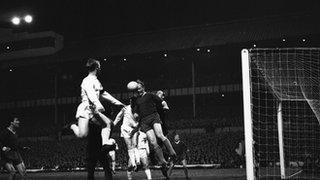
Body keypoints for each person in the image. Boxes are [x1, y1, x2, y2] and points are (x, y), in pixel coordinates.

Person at [70, 58, 123, 154]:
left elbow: (104, 93)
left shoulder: (97, 81)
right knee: (82, 135)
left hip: (94, 108)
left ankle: (104, 144)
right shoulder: (86, 80)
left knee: (108, 123)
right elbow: (91, 94)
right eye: (100, 67)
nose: (100, 68)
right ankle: (72, 126)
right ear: (97, 68)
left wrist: (117, 103)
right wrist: (98, 105)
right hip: (86, 109)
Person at [133, 80, 177, 178]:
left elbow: (161, 101)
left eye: (139, 88)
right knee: (153, 143)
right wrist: (135, 115)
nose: (138, 90)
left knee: (159, 135)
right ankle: (163, 162)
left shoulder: (150, 95)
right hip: (144, 121)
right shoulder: (136, 100)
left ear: (143, 87)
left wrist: (165, 105)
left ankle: (172, 153)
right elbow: (135, 112)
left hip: (153, 117)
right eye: (137, 89)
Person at [113, 97, 140, 171]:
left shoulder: (139, 109)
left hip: (134, 129)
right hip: (125, 129)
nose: (131, 103)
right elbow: (118, 117)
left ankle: (138, 162)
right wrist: (113, 125)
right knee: (129, 147)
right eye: (130, 102)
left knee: (135, 145)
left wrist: (135, 130)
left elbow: (140, 121)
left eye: (133, 102)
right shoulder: (125, 108)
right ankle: (134, 164)